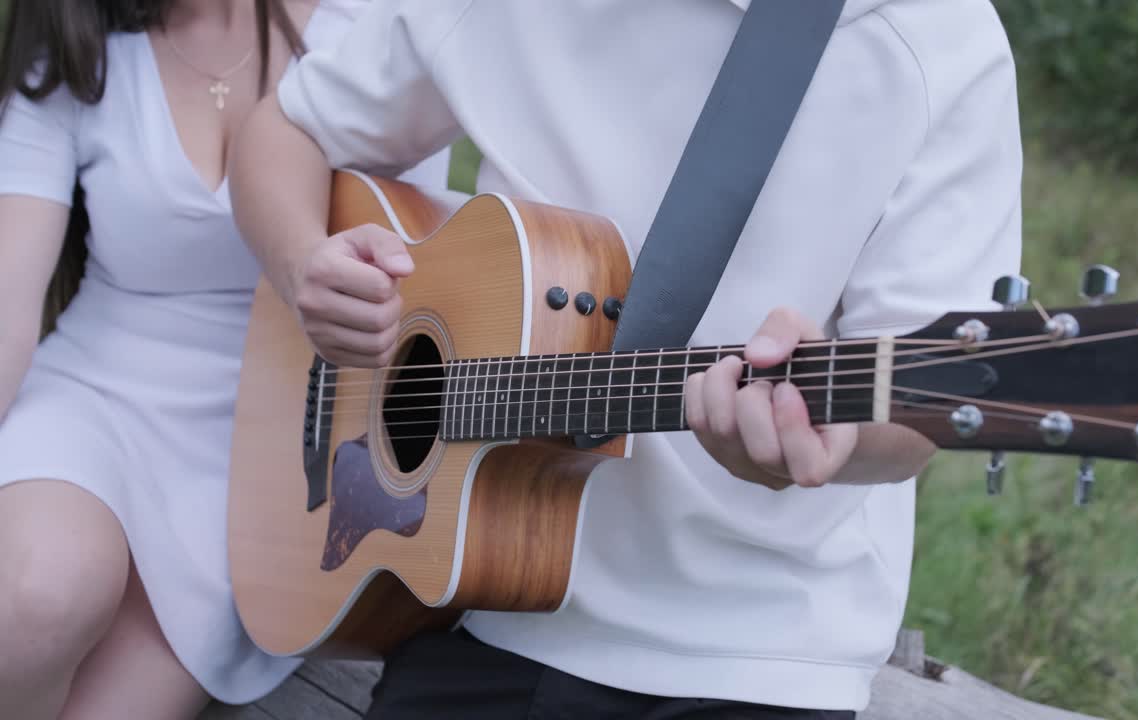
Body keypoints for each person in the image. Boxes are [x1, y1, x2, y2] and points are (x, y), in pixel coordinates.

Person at [229, 0, 1023, 716]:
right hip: (477, 610)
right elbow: (285, 131)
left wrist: (824, 441)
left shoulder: (935, 40)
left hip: (759, 650)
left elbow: (928, 400)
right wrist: (307, 269)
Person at [0, 1, 450, 718]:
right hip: (98, 400)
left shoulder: (375, 26)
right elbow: (7, 304)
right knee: (40, 593)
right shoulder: (76, 39)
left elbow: (426, 253)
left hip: (281, 458)